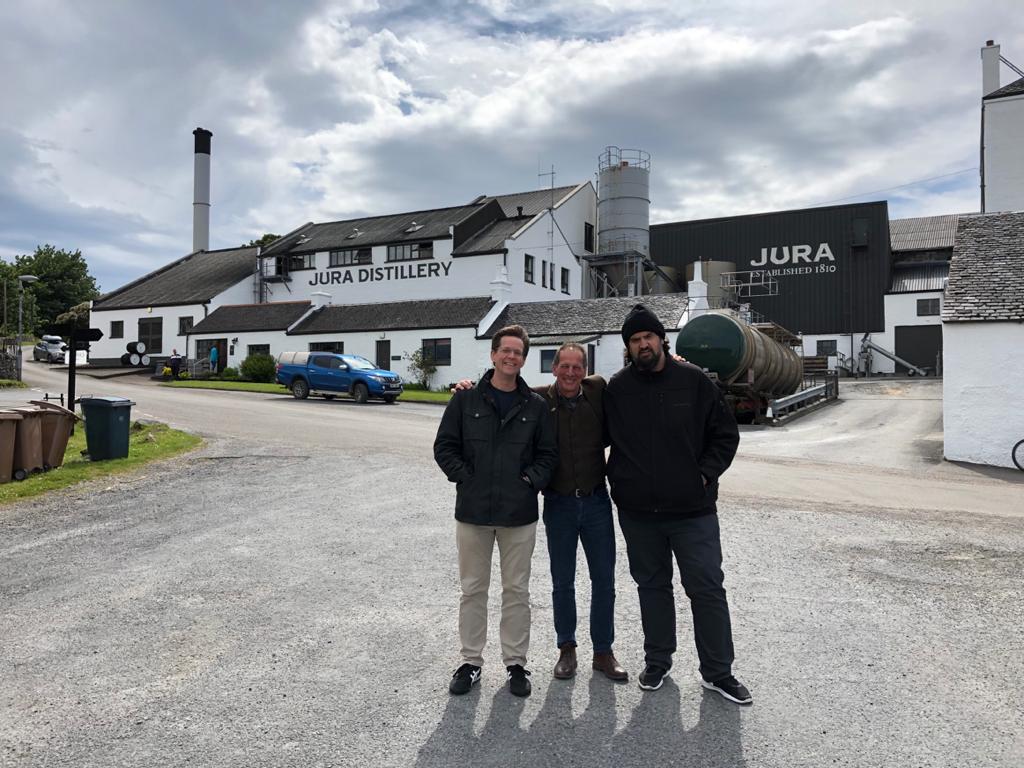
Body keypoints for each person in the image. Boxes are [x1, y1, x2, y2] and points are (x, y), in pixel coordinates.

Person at [453, 343, 628, 683]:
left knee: (604, 580)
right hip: (559, 503)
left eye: (578, 367)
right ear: (554, 368)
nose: (570, 373)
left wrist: (673, 358)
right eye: (564, 366)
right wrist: (468, 386)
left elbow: (631, 379)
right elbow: (502, 384)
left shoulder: (599, 390)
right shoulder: (538, 400)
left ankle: (603, 651)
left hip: (596, 502)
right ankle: (567, 649)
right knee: (562, 582)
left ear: (586, 371)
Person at [604, 304, 750, 705]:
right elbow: (580, 416)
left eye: (648, 336)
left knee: (706, 588)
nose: (642, 344)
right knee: (651, 587)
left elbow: (725, 435)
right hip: (639, 513)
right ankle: (658, 661)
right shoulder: (618, 389)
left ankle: (718, 672)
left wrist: (704, 475)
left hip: (693, 512)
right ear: (629, 348)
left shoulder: (695, 381)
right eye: (634, 340)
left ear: (661, 339)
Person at [434, 325, 557, 698]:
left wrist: (528, 482)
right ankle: (471, 662)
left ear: (523, 358)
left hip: (518, 515)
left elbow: (547, 456)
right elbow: (445, 447)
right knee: (473, 590)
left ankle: (516, 664)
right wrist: (465, 479)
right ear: (493, 354)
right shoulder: (465, 400)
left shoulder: (535, 406)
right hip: (472, 512)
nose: (511, 357)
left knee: (516, 590)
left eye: (518, 352)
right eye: (505, 350)